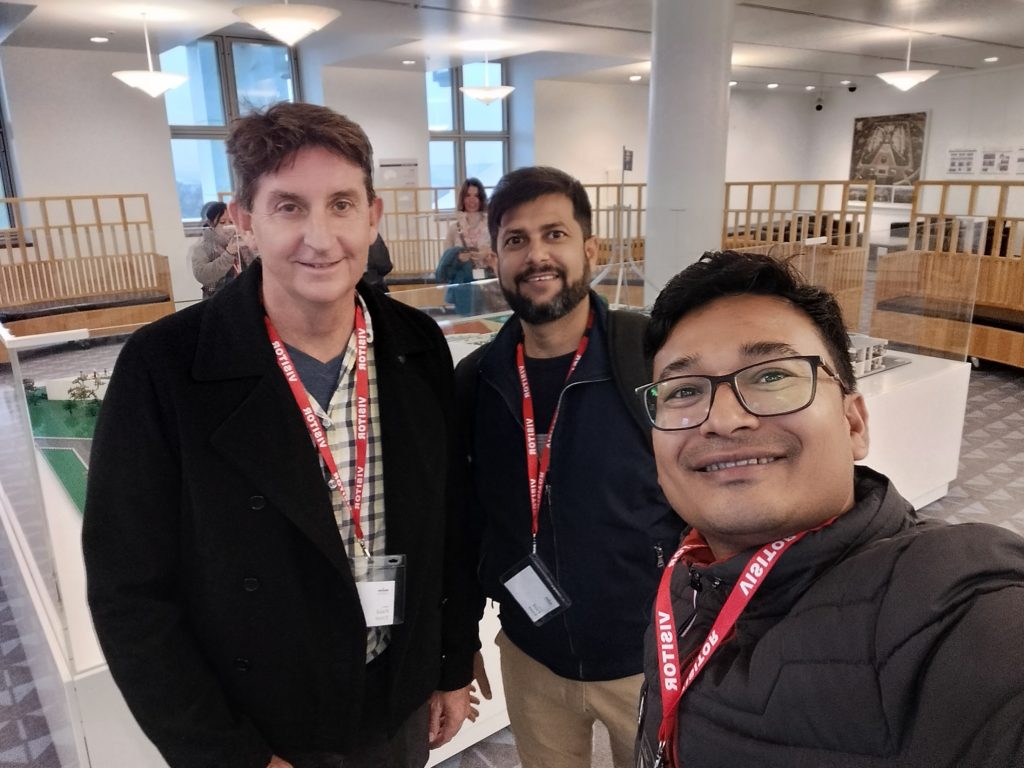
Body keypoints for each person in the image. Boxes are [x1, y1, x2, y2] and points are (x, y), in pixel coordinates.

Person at [82, 102, 479, 768]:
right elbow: (129, 592)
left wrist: (448, 659)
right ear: (244, 221)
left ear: (373, 215)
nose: (321, 239)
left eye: (342, 205)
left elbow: (450, 524)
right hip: (263, 728)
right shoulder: (166, 367)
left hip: (397, 703)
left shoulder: (416, 345)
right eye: (289, 207)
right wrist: (229, 755)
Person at [635, 250, 1024, 767]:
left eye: (771, 376)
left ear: (854, 423)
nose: (723, 419)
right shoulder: (691, 575)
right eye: (685, 389)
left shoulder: (952, 609)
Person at [454, 166, 684, 768]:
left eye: (554, 235)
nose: (536, 256)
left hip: (650, 659)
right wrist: (455, 639)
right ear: (496, 257)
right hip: (532, 657)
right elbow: (462, 523)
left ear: (590, 248)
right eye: (515, 240)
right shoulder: (476, 382)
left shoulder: (651, 357)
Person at [436, 178, 497, 315]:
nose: (472, 200)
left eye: (476, 196)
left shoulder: (491, 227)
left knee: (489, 324)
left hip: (487, 283)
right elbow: (446, 258)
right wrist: (459, 258)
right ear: (462, 199)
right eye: (468, 195)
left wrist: (487, 253)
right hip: (463, 287)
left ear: (482, 199)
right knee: (467, 324)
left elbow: (502, 252)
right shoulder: (454, 229)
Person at [190, 200, 255, 298]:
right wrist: (228, 254)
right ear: (211, 224)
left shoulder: (240, 241)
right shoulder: (203, 247)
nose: (228, 226)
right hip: (217, 301)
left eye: (231, 222)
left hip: (244, 297)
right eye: (222, 222)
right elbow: (202, 275)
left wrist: (253, 245)